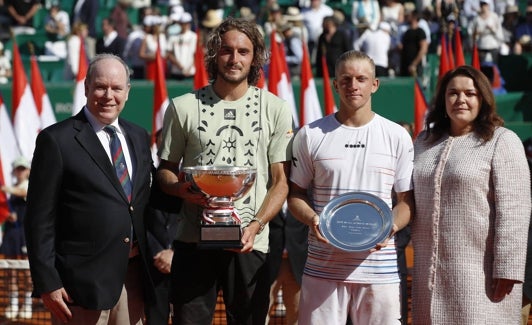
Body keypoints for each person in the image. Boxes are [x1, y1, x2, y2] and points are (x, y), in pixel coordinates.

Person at [156, 17, 294, 324]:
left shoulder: (276, 108)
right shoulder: (182, 107)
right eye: (227, 51)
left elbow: (281, 182)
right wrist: (182, 190)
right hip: (192, 242)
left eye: (243, 52)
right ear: (214, 55)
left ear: (255, 58)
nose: (234, 59)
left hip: (251, 243)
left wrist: (255, 225)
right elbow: (164, 172)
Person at [24, 53, 155, 325]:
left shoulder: (139, 136)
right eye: (100, 86)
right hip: (78, 288)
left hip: (134, 282)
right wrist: (47, 282)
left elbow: (144, 201)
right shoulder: (56, 140)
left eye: (117, 88)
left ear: (127, 92)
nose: (108, 95)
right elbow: (39, 219)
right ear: (86, 88)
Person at [288, 50, 415, 324]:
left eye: (361, 78)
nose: (353, 86)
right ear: (335, 84)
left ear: (375, 84)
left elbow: (406, 202)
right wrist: (313, 219)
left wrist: (389, 227)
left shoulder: (397, 136)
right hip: (322, 268)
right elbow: (295, 195)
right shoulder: (310, 134)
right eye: (345, 79)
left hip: (380, 272)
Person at [411, 65, 531, 324]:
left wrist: (508, 268)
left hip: (481, 272)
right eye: (453, 93)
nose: (461, 100)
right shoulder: (423, 142)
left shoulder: (502, 140)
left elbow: (515, 209)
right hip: (427, 273)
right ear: (443, 100)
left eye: (470, 93)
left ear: (483, 99)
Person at [0, 156, 32, 319]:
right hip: (11, 234)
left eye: (22, 169)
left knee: (27, 271)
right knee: (10, 270)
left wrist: (4, 189)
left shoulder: (28, 186)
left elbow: (23, 192)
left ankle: (27, 303)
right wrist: (6, 214)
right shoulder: (8, 191)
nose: (20, 172)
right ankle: (13, 303)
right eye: (17, 169)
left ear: (27, 171)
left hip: (25, 235)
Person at [265, 205, 308, 325]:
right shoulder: (268, 193)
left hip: (298, 263)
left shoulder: (305, 195)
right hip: (269, 261)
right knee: (262, 307)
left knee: (297, 311)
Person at [166, 11, 197, 80]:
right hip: (176, 72)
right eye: (182, 23)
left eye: (187, 23)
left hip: (190, 72)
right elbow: (168, 54)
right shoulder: (173, 37)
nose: (185, 25)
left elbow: (196, 54)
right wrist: (179, 66)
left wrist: (189, 68)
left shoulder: (194, 37)